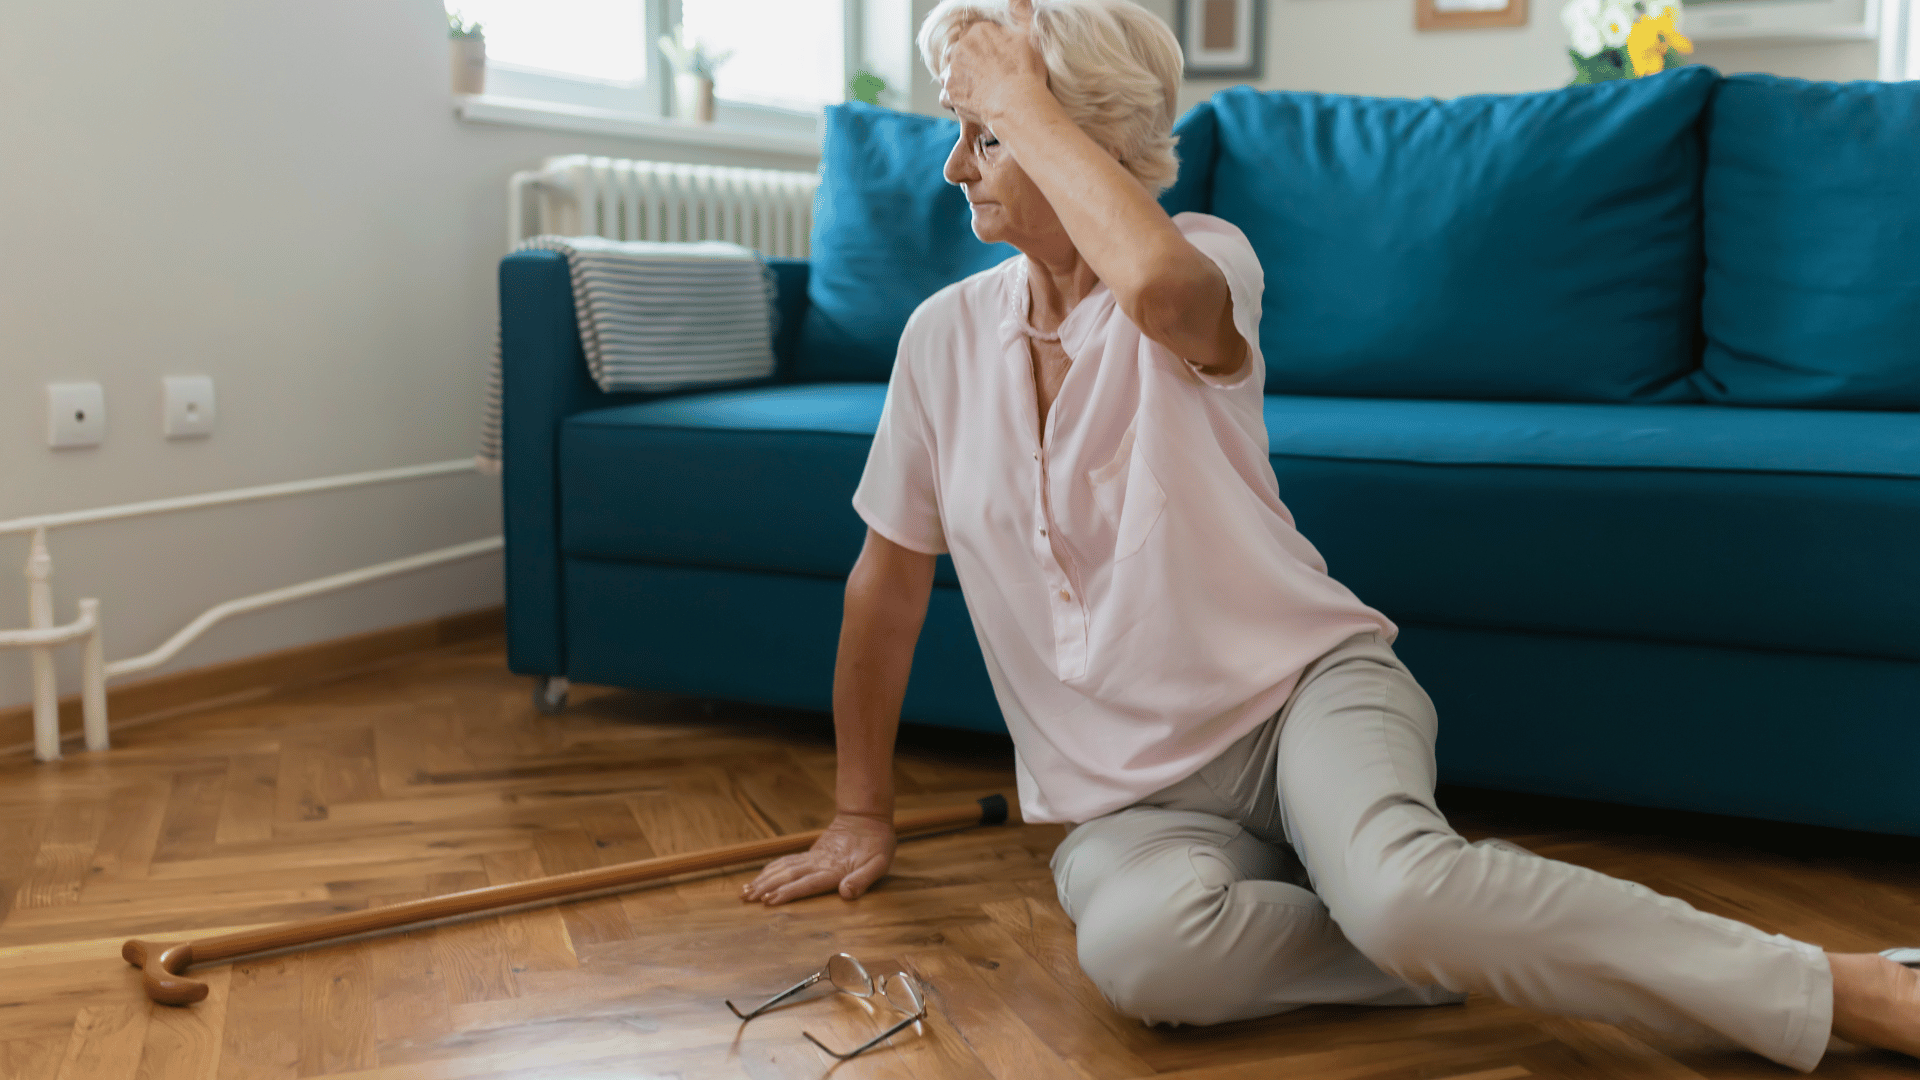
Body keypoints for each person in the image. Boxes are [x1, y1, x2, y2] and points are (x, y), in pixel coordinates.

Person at [740, 0, 1920, 1069]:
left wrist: (1022, 101)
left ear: (1074, 131)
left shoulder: (1207, 259)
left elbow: (1156, 294)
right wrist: (861, 810)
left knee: (1402, 898)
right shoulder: (941, 344)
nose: (955, 165)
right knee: (1150, 961)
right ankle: (1468, 923)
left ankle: (1842, 988)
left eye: (984, 132)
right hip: (1127, 805)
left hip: (1303, 698)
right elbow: (885, 588)